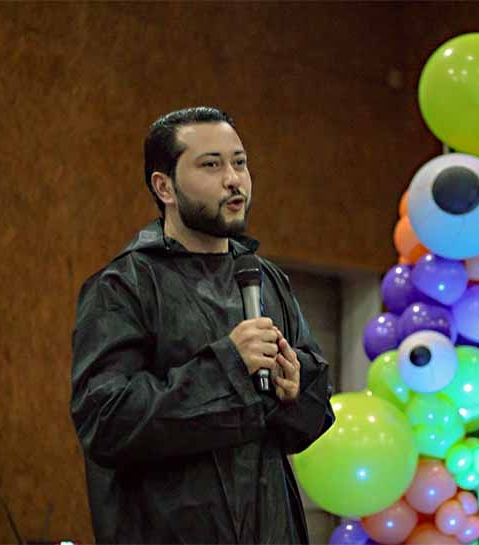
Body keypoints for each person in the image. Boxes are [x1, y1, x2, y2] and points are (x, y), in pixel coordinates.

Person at [70, 107, 335, 544]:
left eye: (240, 162)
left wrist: (295, 389)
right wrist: (229, 364)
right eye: (211, 165)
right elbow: (105, 423)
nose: (234, 179)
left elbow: (314, 413)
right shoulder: (123, 286)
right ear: (164, 186)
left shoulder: (266, 280)